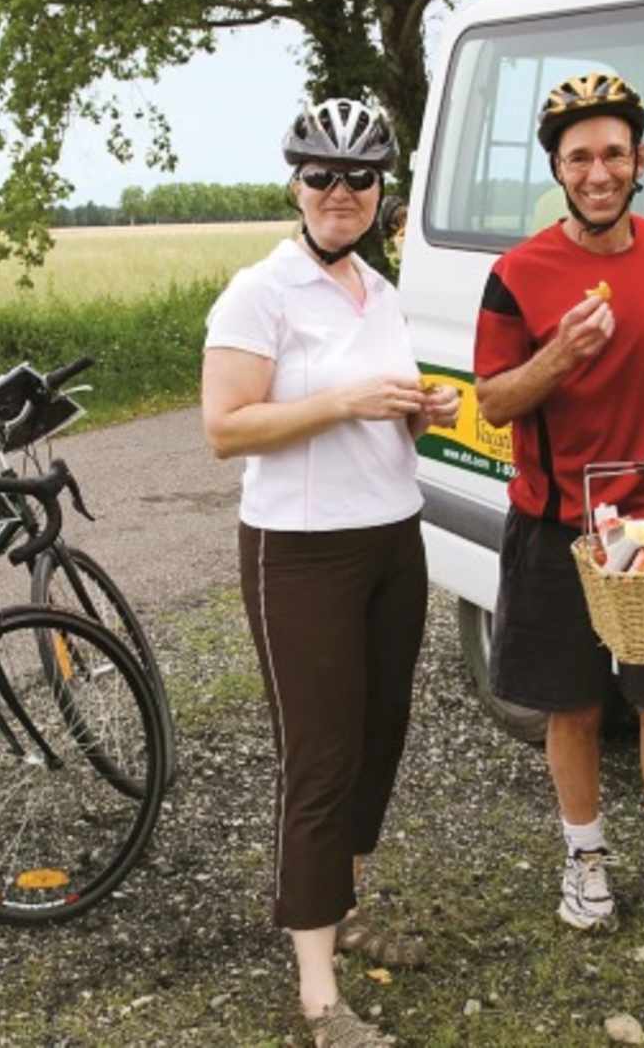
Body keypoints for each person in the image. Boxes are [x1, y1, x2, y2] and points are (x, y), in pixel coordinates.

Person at [472, 72, 644, 956]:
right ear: (558, 167)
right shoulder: (517, 275)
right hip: (557, 525)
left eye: (614, 154)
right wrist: (558, 356)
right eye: (579, 156)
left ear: (640, 162)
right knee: (575, 709)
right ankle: (584, 858)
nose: (598, 171)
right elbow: (495, 402)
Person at [201, 98, 459, 1048]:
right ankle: (320, 998)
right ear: (295, 184)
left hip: (395, 536)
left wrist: (415, 408)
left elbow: (377, 411)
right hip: (300, 549)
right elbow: (226, 428)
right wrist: (344, 398)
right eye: (321, 176)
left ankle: (344, 909)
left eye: (358, 178)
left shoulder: (377, 290)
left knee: (378, 735)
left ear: (382, 191)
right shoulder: (258, 293)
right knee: (317, 759)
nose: (339, 192)